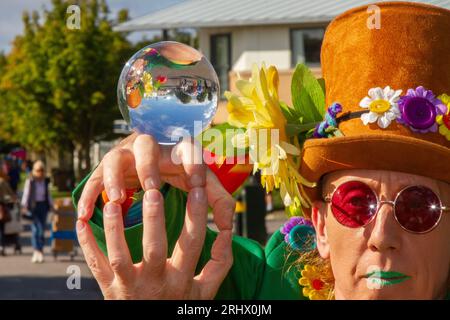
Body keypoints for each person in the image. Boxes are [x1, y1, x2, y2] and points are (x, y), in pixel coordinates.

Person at [73, 2, 450, 299]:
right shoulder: (272, 283)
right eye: (354, 203)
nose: (382, 236)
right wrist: (135, 184)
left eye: (417, 208)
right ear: (319, 227)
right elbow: (173, 266)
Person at [21, 160, 53, 263]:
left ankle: (40, 251)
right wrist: (24, 206)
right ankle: (36, 251)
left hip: (43, 206)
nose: (40, 172)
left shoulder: (45, 181)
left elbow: (48, 194)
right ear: (34, 171)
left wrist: (52, 205)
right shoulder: (30, 181)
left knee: (42, 229)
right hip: (33, 206)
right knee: (35, 228)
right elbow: (26, 194)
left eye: (42, 170)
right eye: (38, 170)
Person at [0, 172, 16, 256]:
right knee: (2, 229)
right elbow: (11, 193)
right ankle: (1, 246)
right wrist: (14, 199)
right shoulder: (3, 182)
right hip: (2, 207)